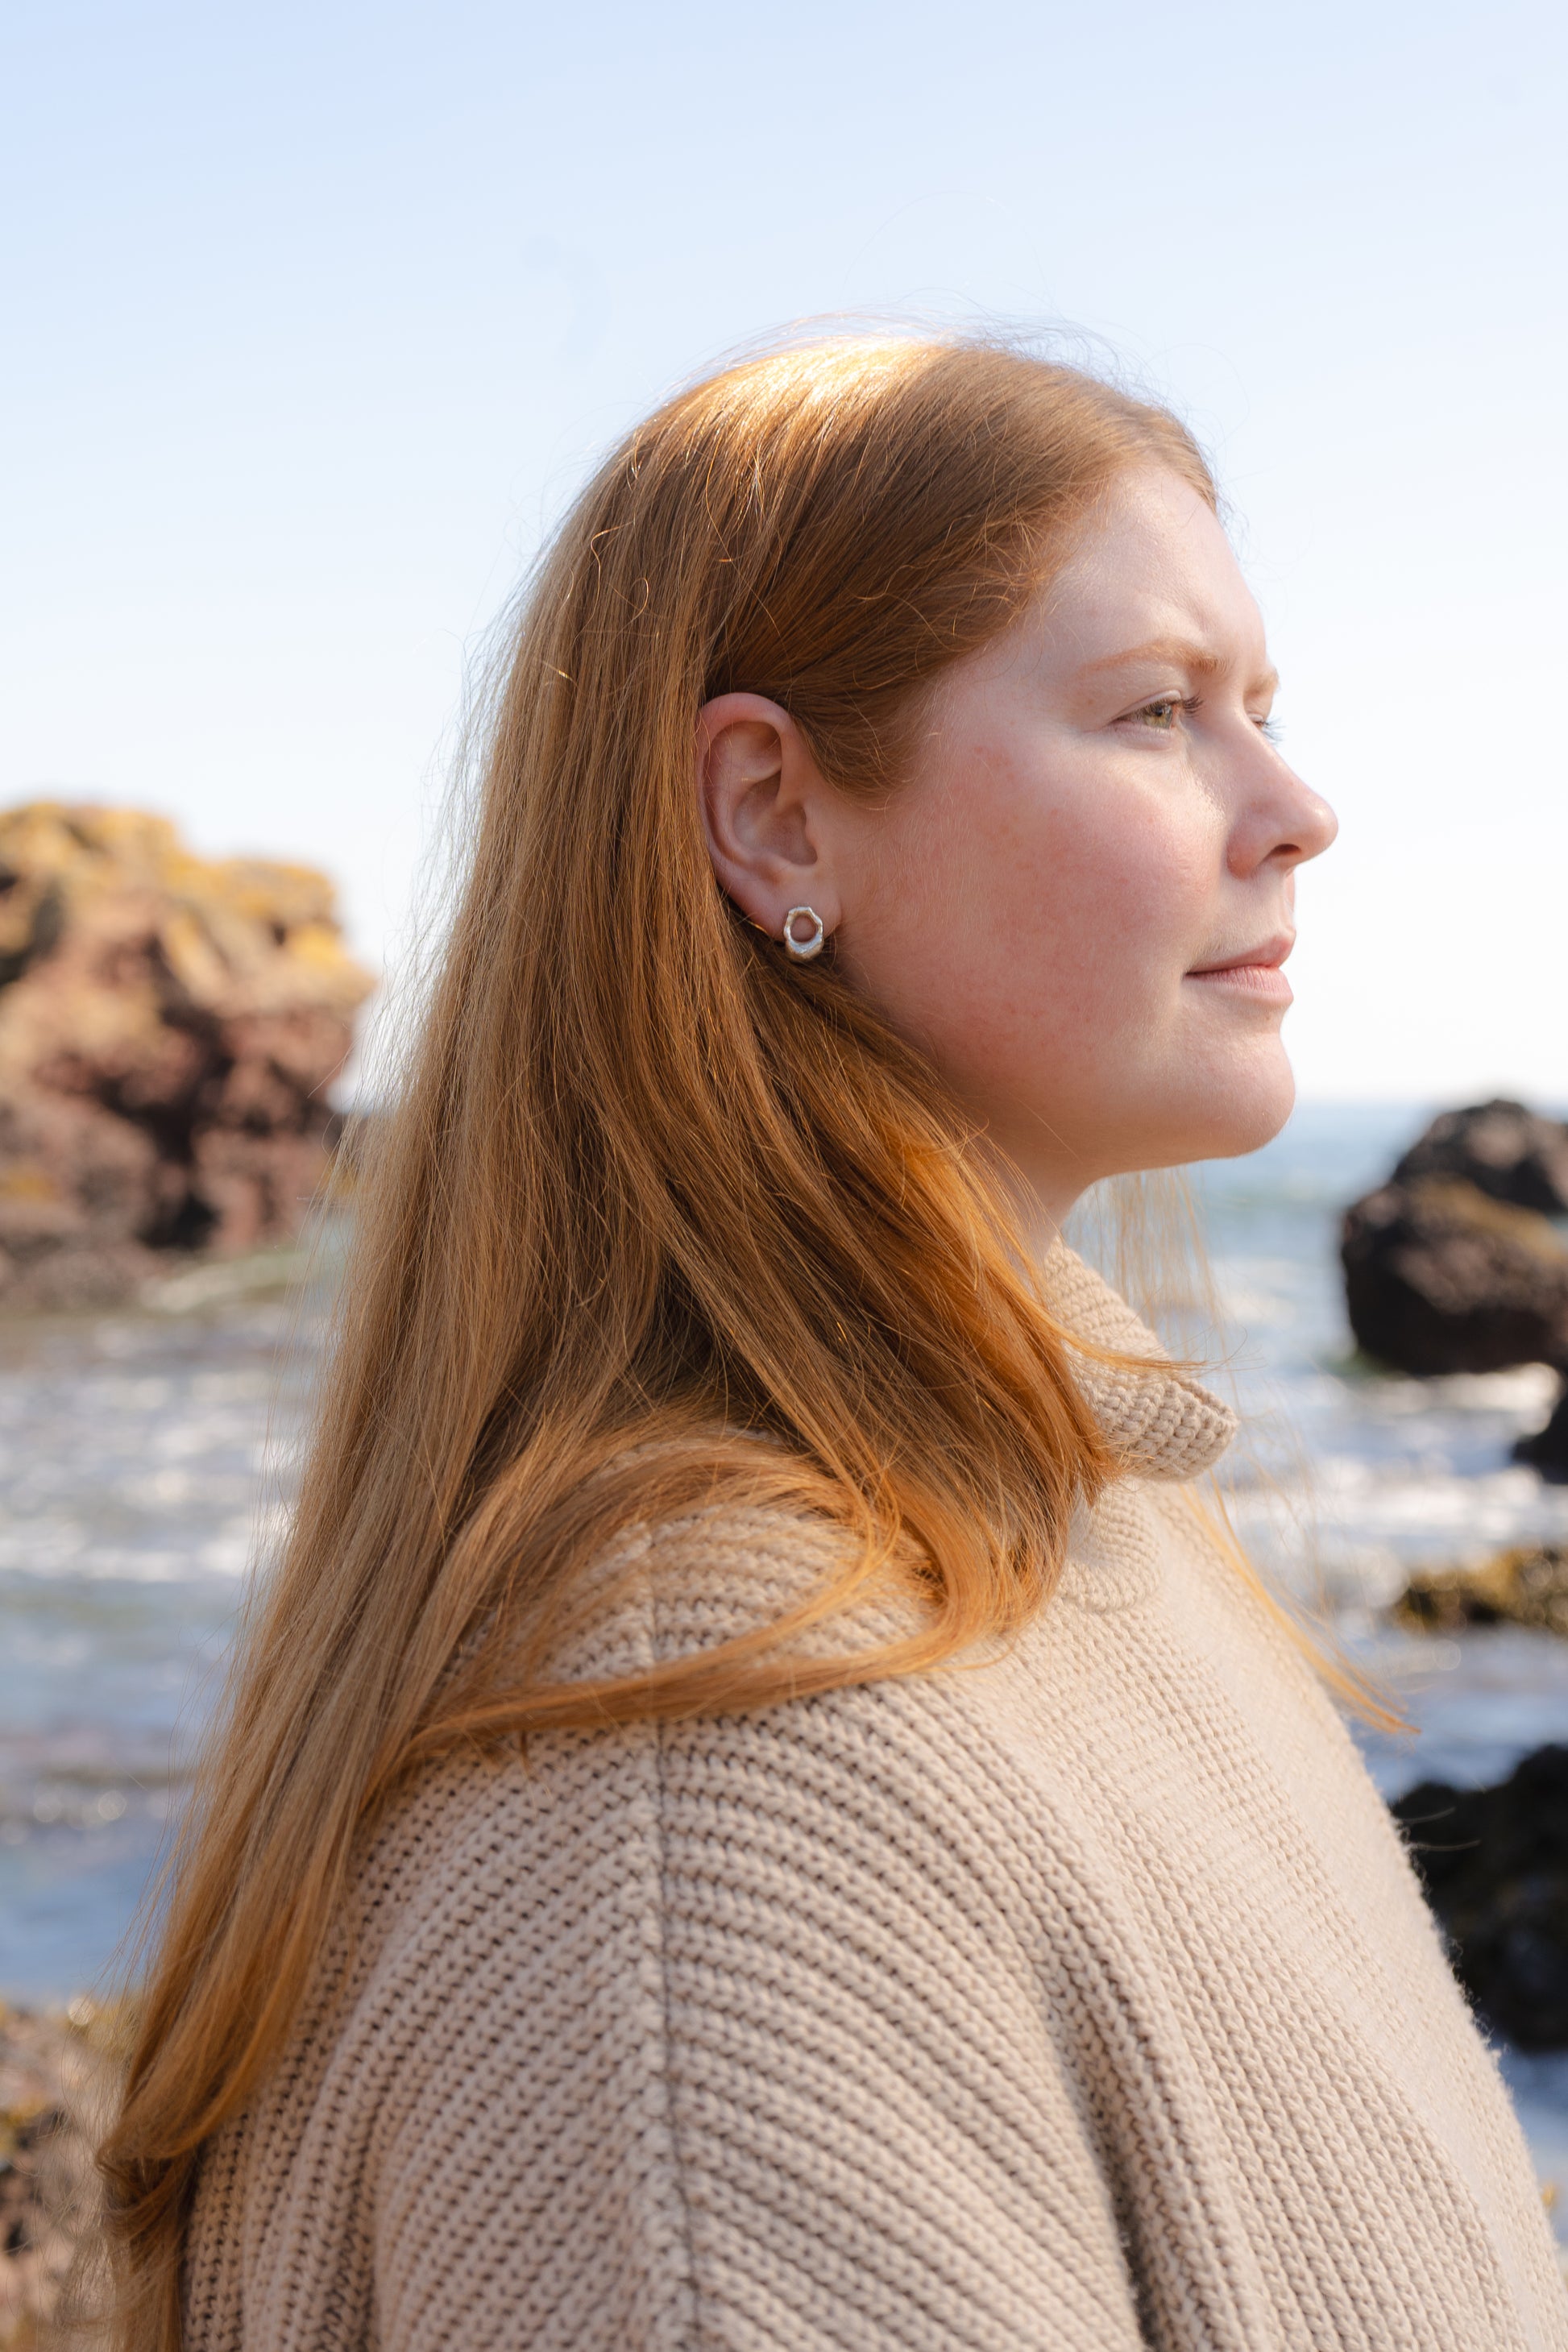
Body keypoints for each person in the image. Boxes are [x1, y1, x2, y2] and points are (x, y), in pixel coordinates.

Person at [99, 334, 1566, 2350]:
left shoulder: (1085, 1531)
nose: (1294, 806)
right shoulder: (709, 1846)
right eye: (1154, 711)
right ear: (775, 817)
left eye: (1262, 709)